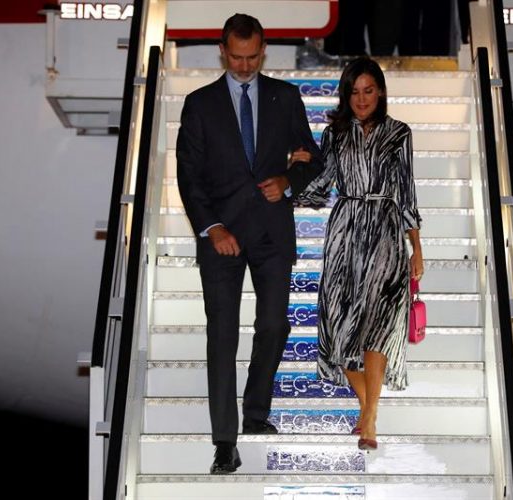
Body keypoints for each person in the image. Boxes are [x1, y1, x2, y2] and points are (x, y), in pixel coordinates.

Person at [176, 13, 324, 474]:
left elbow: (311, 158)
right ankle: (225, 440)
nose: (243, 66)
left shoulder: (286, 97)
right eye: (235, 57)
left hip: (271, 232)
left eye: (251, 57)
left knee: (274, 325)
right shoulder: (199, 104)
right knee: (221, 337)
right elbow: (188, 175)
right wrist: (212, 228)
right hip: (221, 235)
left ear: (263, 52)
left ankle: (256, 413)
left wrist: (288, 179)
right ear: (224, 51)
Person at [296, 57, 423, 450]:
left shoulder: (399, 133)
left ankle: (369, 418)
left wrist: (415, 247)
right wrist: (294, 171)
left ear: (380, 91)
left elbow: (406, 192)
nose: (362, 98)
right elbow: (321, 186)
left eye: (369, 91)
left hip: (385, 229)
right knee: (337, 326)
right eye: (355, 92)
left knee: (377, 323)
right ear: (346, 94)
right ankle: (368, 404)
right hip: (345, 230)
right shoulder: (334, 133)